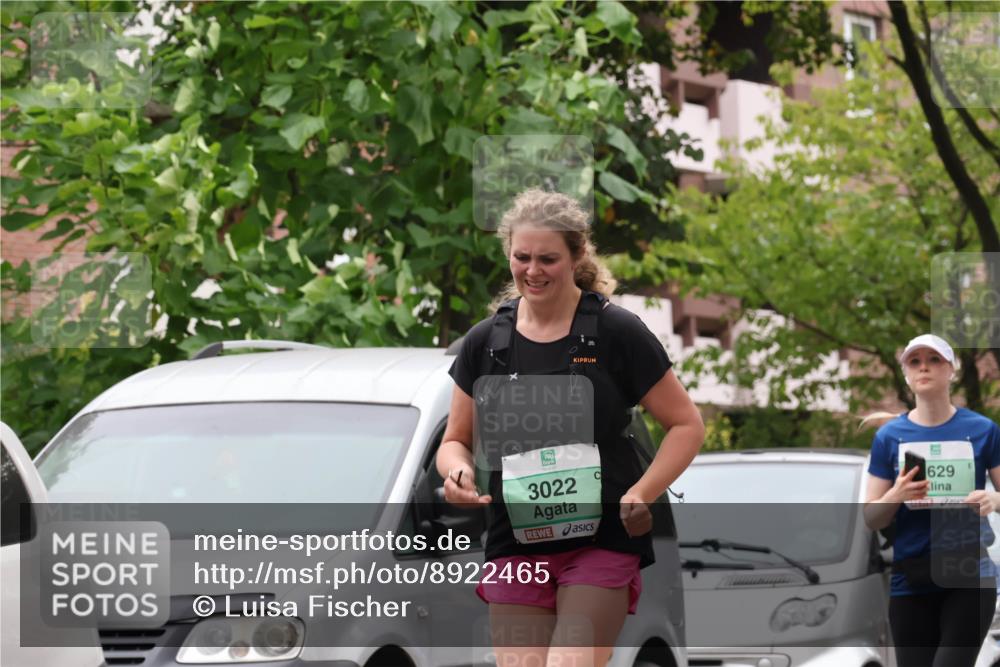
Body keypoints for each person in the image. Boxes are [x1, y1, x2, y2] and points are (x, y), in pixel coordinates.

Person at [436, 189, 705, 667]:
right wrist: (456, 474)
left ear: (578, 253)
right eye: (522, 257)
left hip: (601, 538)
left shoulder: (616, 332)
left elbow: (686, 425)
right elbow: (455, 440)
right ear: (508, 253)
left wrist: (643, 492)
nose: (532, 271)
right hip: (515, 541)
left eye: (548, 259)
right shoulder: (485, 342)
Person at [863, 333, 1000, 667]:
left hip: (968, 574)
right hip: (911, 577)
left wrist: (993, 499)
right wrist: (897, 494)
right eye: (915, 361)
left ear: (951, 369)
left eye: (934, 359)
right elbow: (871, 517)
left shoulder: (983, 430)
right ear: (908, 374)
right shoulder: (888, 438)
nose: (924, 367)